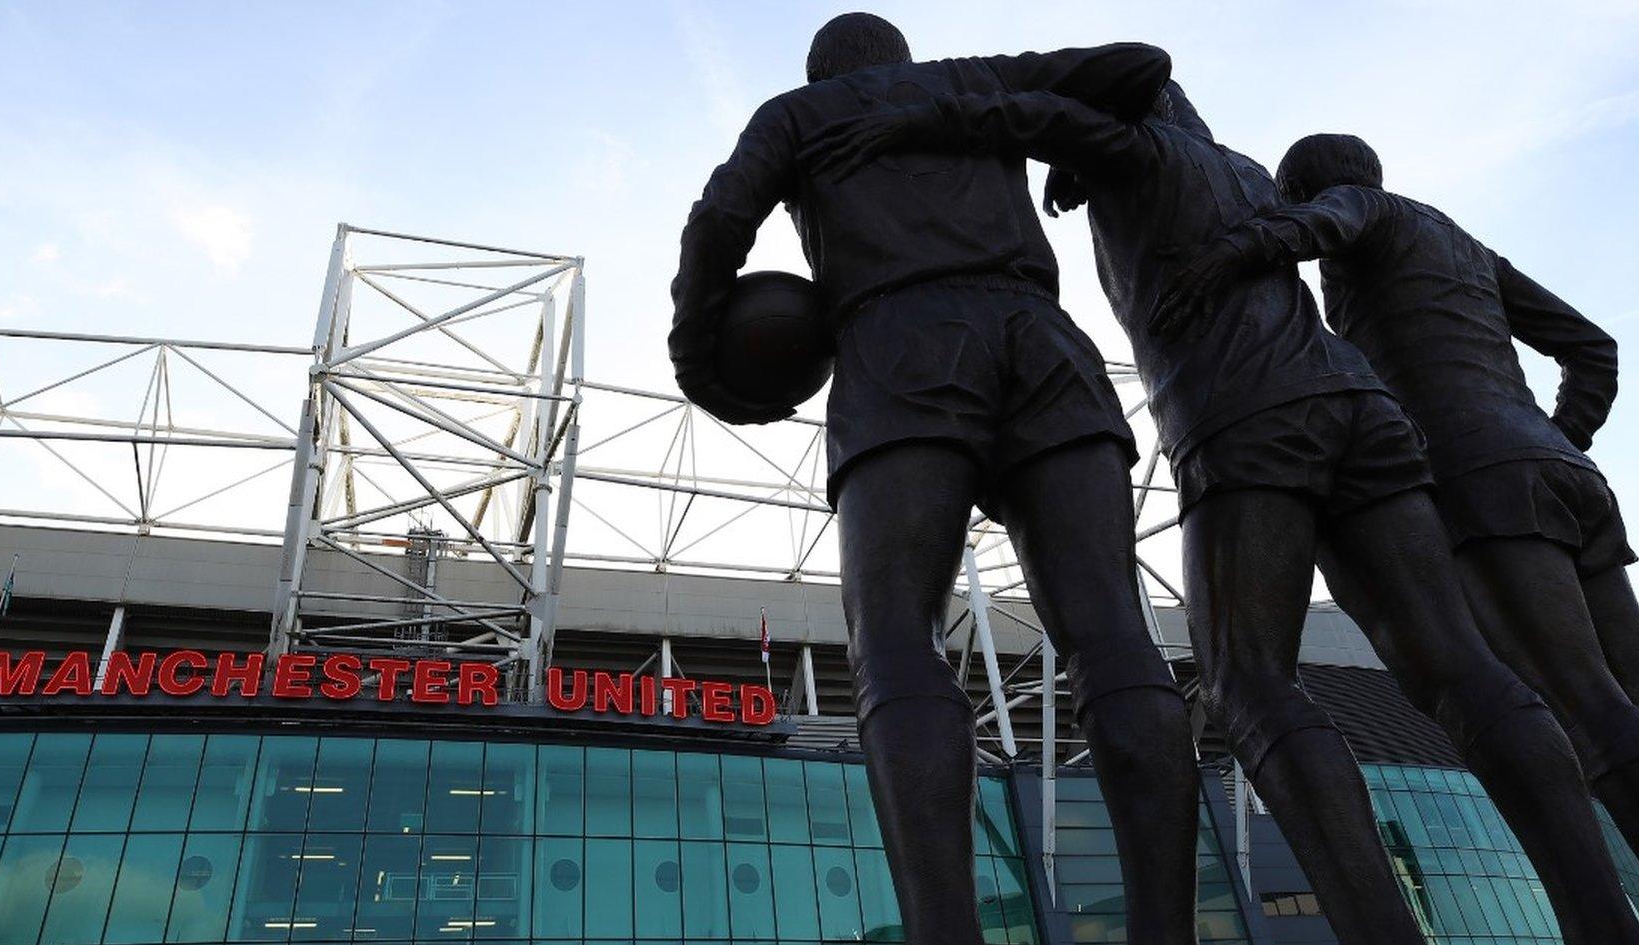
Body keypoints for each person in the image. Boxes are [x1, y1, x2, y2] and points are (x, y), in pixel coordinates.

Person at [797, 80, 1639, 943]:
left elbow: (1033, 110)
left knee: (1248, 684)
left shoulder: (1162, 159)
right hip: (1372, 415)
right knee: (1466, 668)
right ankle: (1603, 919)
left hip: (1249, 419)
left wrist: (943, 115)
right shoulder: (1246, 173)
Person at [669, 14, 1201, 944]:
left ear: (823, 71)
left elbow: (718, 222)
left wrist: (703, 366)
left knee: (897, 643)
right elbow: (1141, 65)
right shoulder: (975, 79)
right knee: (1114, 636)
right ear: (902, 59)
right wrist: (1024, 132)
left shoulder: (799, 113)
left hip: (901, 346)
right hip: (1045, 345)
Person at [1156, 131, 1639, 858]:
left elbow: (1324, 223)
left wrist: (1228, 252)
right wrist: (1558, 436)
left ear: (1302, 190)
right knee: (1623, 694)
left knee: (1583, 703)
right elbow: (1594, 347)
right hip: (1562, 473)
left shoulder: (1363, 211)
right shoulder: (1462, 243)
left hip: (1484, 482)